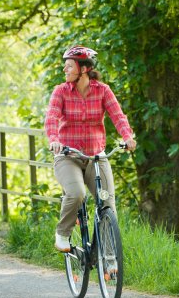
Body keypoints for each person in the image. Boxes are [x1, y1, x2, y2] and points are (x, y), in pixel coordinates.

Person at [44, 45, 137, 252]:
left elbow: (118, 116)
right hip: (68, 155)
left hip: (96, 156)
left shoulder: (103, 90)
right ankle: (63, 233)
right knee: (77, 194)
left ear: (83, 69)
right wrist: (54, 139)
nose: (64, 70)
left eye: (69, 66)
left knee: (108, 204)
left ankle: (109, 257)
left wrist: (127, 136)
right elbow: (51, 118)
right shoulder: (61, 91)